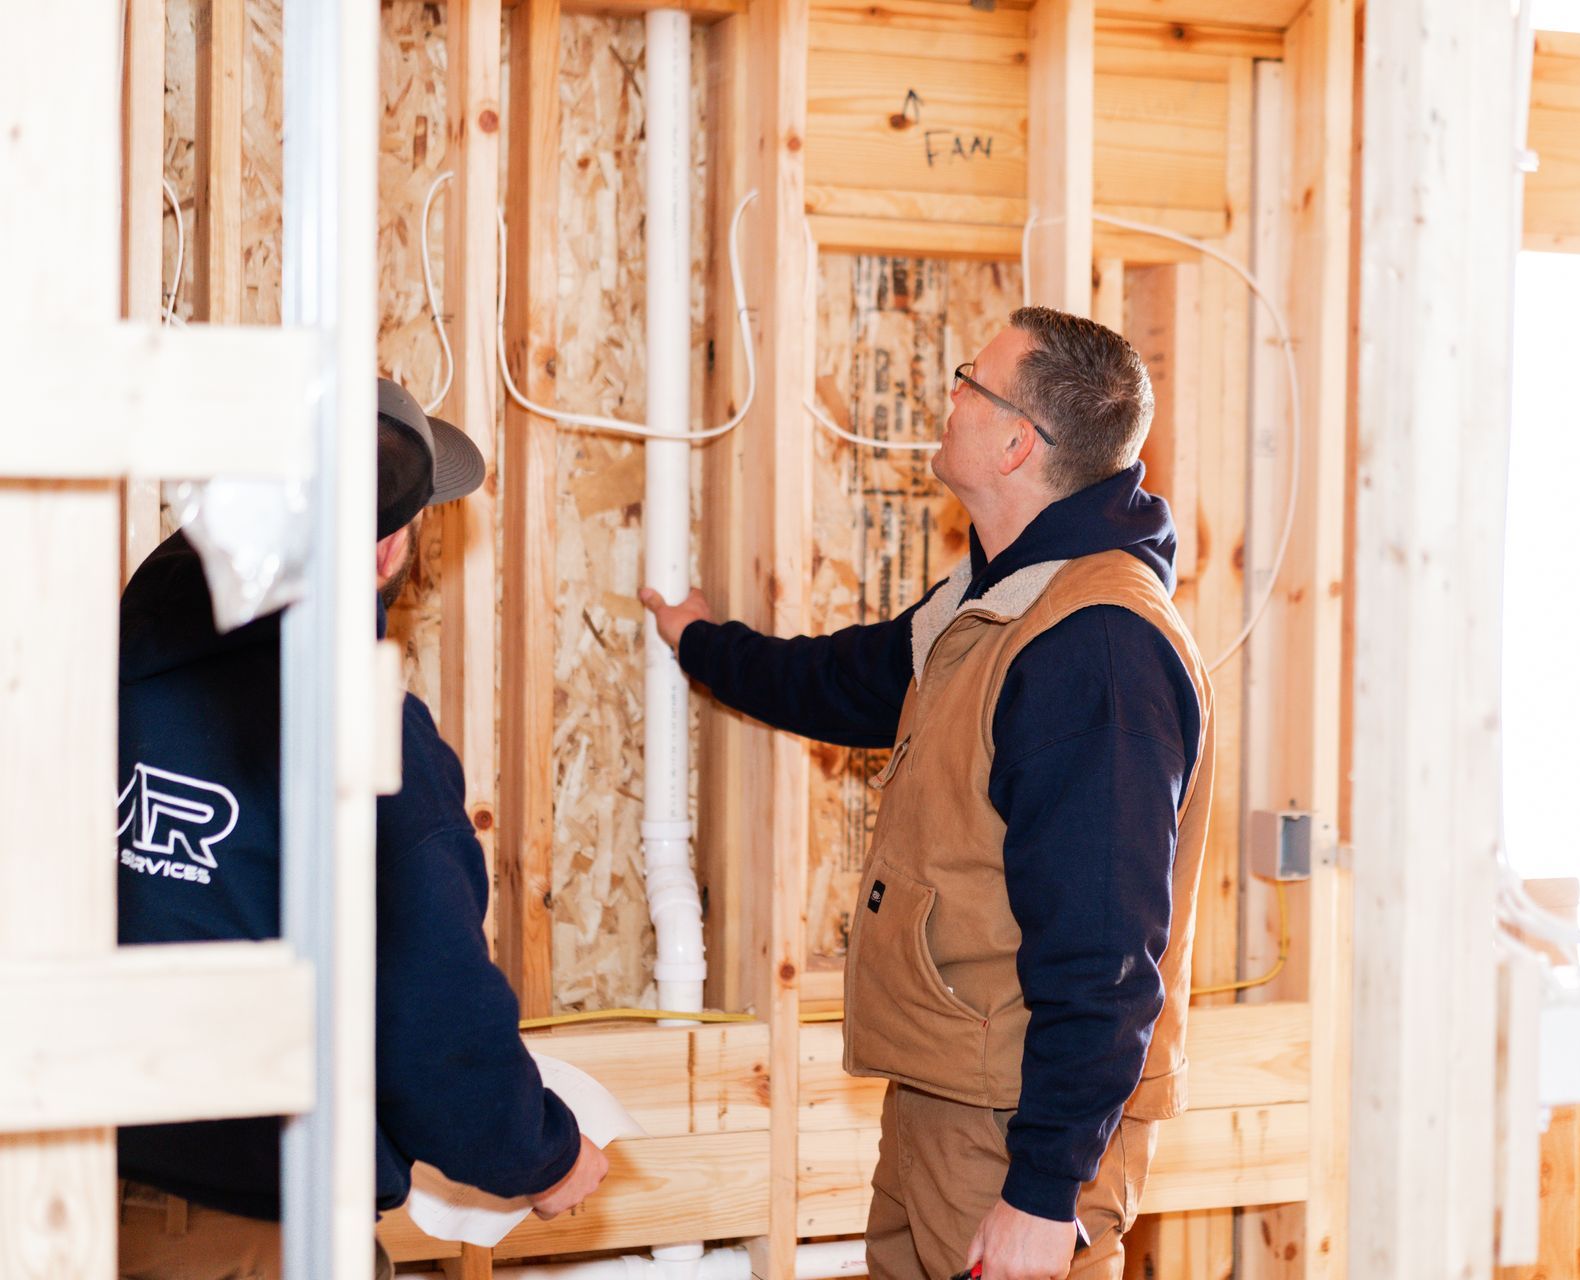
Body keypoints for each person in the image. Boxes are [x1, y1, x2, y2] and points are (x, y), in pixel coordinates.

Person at [642, 307, 1215, 1280]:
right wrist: (703, 642)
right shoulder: (998, 596)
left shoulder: (1095, 647)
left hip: (1016, 1125)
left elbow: (1110, 952)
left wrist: (1043, 1189)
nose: (944, 397)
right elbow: (852, 680)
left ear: (1014, 440)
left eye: (967, 381)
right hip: (951, 1094)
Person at [115, 378, 607, 1279]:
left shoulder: (95, 671)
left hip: (63, 1202)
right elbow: (426, 1001)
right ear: (386, 546)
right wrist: (545, 1153)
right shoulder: (365, 736)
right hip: (258, 1230)